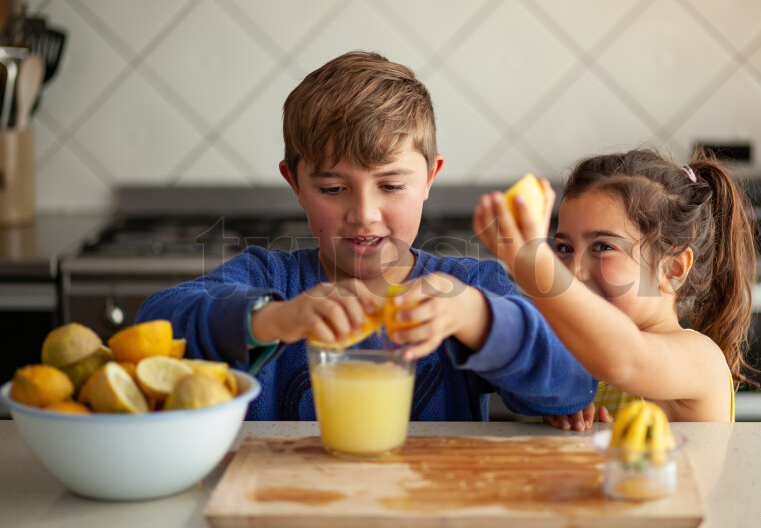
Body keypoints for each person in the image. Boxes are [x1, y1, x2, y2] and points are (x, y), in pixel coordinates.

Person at [136, 51, 597, 424]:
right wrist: (272, 320)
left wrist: (476, 317)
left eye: (392, 186)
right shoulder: (266, 279)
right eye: (333, 189)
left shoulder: (471, 289)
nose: (364, 214)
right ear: (295, 183)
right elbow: (151, 327)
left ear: (430, 177)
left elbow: (574, 383)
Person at [474, 147, 757, 424]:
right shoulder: (580, 361)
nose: (574, 270)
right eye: (563, 248)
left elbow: (624, 358)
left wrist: (538, 270)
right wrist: (559, 406)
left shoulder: (700, 359)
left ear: (673, 268)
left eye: (602, 246)